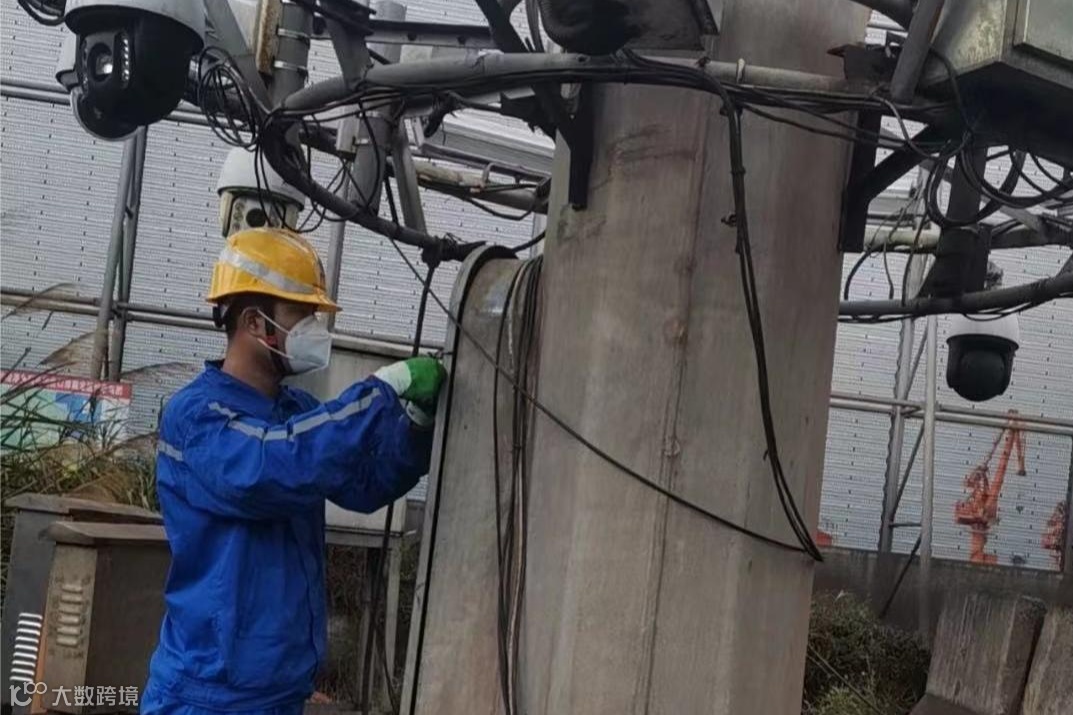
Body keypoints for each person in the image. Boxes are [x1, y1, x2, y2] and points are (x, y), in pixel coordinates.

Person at [142, 227, 444, 715]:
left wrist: (415, 426)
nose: (314, 329)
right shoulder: (196, 416)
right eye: (301, 314)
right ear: (253, 322)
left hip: (280, 693)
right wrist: (380, 390)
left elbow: (364, 484)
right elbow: (268, 469)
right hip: (208, 696)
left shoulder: (294, 412)